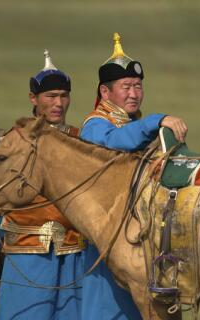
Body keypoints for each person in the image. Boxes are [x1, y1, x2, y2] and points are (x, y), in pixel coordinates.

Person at [0, 50, 86, 319]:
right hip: (26, 252)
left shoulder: (81, 141)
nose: (58, 103)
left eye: (63, 96)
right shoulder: (14, 142)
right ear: (34, 99)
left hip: (74, 254)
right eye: (50, 97)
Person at [80, 32, 188, 319]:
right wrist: (157, 121)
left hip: (137, 234)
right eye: (126, 86)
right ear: (105, 93)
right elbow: (116, 141)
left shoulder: (134, 124)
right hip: (107, 239)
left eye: (138, 86)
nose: (133, 94)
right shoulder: (94, 126)